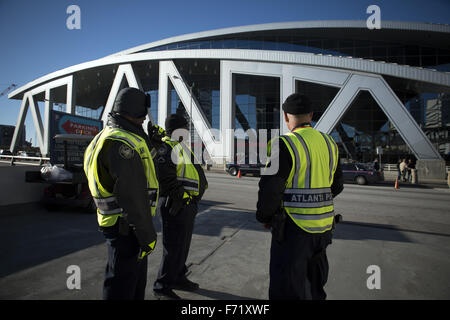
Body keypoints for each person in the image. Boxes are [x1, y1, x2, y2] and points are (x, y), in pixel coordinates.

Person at [256, 93, 344, 300]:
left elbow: (271, 188)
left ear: (286, 116)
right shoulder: (330, 143)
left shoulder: (284, 144)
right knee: (314, 286)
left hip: (293, 230)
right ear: (311, 115)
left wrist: (265, 217)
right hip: (323, 229)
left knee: (286, 287)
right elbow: (337, 185)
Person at [83, 87, 159, 300]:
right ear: (134, 112)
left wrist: (152, 141)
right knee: (122, 287)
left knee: (130, 281)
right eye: (142, 114)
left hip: (124, 225)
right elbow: (132, 196)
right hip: (127, 227)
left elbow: (147, 166)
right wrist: (147, 235)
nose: (145, 119)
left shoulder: (109, 136)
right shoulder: (120, 143)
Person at [153, 113, 208, 300]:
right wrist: (183, 197)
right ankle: (162, 287)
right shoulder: (166, 148)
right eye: (185, 127)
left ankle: (178, 277)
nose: (188, 131)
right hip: (175, 205)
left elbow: (195, 173)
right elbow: (164, 178)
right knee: (173, 248)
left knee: (182, 247)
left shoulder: (181, 147)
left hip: (187, 205)